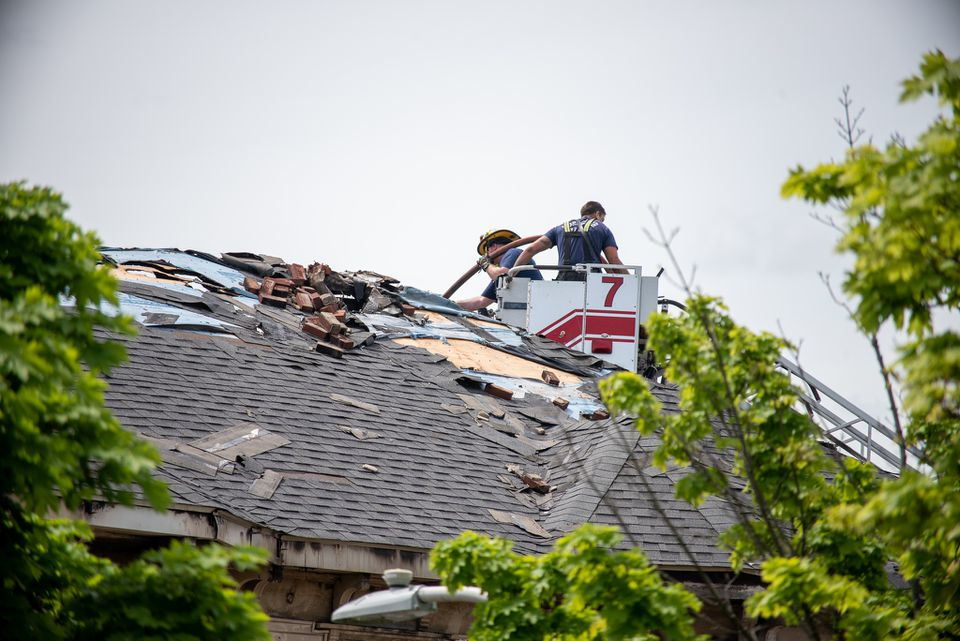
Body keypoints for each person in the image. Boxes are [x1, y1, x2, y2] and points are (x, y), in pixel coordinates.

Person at [514, 201, 625, 281]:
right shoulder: (602, 228)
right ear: (598, 214)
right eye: (602, 219)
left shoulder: (561, 228)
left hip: (564, 280)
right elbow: (614, 260)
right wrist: (634, 281)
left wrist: (511, 274)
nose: (602, 221)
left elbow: (530, 249)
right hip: (592, 280)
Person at [456, 229, 543, 311]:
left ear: (494, 246)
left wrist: (485, 264)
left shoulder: (513, 252)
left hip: (534, 309)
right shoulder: (503, 273)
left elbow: (502, 275)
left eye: (487, 251)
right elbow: (481, 301)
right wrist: (449, 303)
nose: (486, 255)